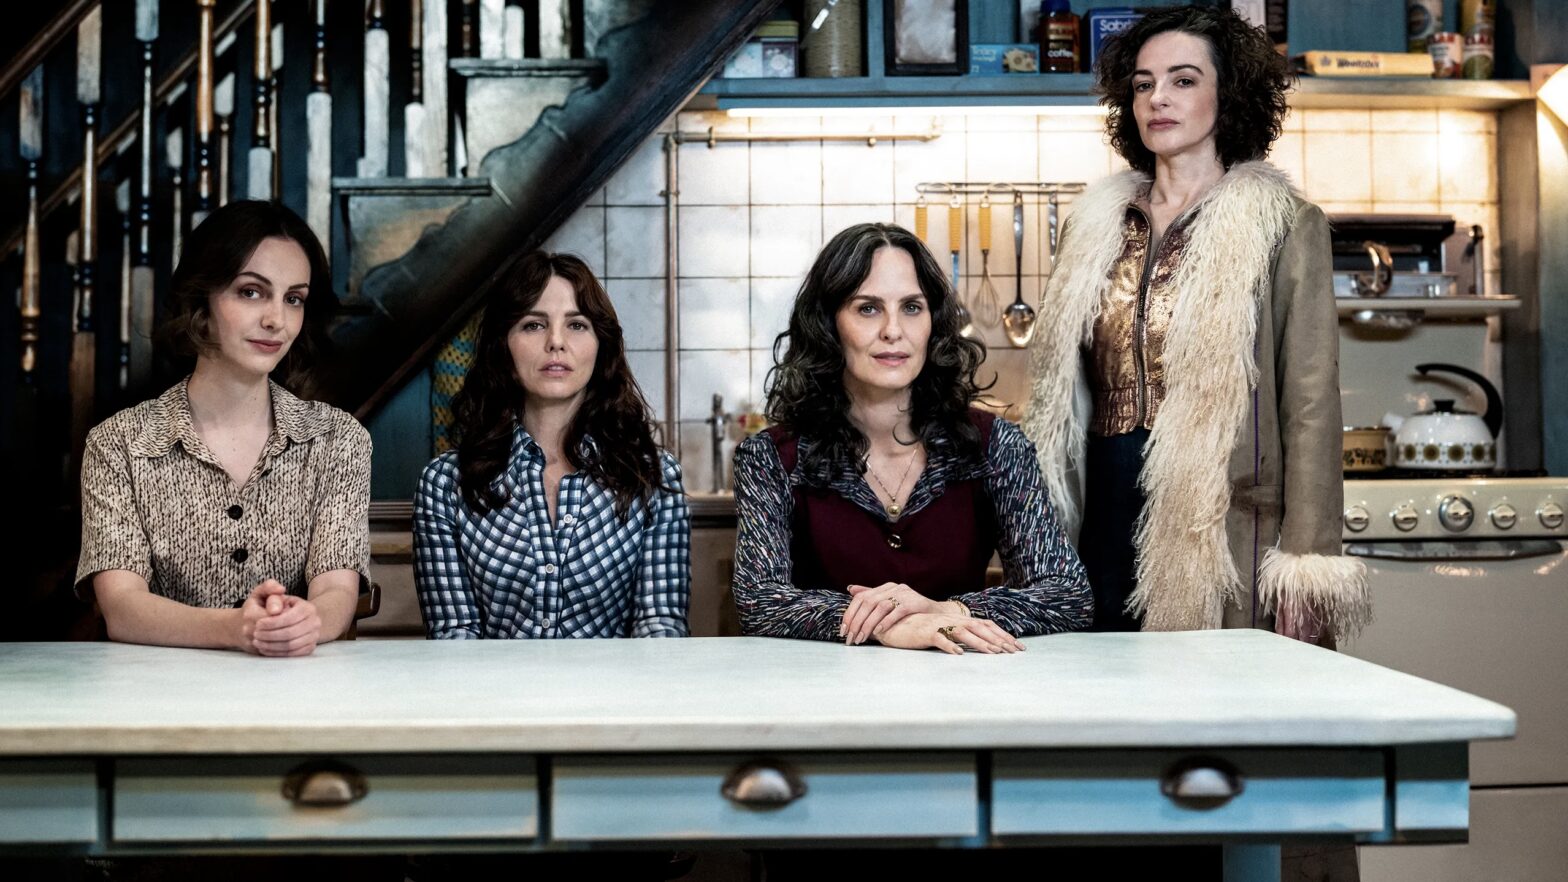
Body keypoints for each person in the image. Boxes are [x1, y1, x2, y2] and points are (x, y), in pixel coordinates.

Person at [1021, 8, 1370, 641]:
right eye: (1143, 83)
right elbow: (1056, 396)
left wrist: (1308, 558)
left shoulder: (1285, 224)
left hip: (1221, 515)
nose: (1158, 99)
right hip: (1100, 499)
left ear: (1227, 92)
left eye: (1183, 80)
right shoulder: (1091, 225)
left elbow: (1312, 401)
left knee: (1210, 704)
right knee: (1095, 696)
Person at [732, 222, 1092, 652]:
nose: (892, 330)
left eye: (911, 307)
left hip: (961, 695)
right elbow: (759, 601)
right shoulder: (771, 457)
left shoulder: (997, 446)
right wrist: (884, 624)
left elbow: (1067, 594)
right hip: (821, 700)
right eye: (867, 308)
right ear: (828, 325)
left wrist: (946, 613)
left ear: (933, 323)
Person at [76, 200, 370, 657]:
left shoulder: (338, 439)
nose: (276, 319)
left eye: (293, 298)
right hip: (156, 697)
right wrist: (236, 628)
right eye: (251, 292)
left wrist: (306, 620)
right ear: (202, 300)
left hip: (294, 692)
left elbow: (337, 589)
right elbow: (122, 606)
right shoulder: (118, 443)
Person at [413, 251, 689, 639]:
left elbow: (660, 628)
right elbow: (453, 635)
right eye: (533, 325)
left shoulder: (652, 475)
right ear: (503, 346)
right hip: (491, 697)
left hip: (616, 696)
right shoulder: (445, 483)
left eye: (576, 325)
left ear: (601, 345)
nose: (556, 342)